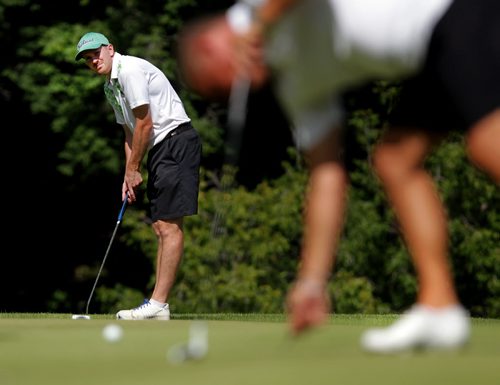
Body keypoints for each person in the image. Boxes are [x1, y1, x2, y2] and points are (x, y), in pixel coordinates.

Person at [177, 0, 500, 352]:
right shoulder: (294, 81)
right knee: (396, 161)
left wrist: (260, 22)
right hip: (429, 51)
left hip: (457, 12)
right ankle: (439, 307)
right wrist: (312, 281)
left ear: (210, 47)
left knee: (488, 144)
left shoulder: (255, 7)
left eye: (220, 87)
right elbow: (326, 173)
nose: (237, 91)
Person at [75, 32, 202, 320]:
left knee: (169, 226)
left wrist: (135, 169)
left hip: (175, 142)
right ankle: (159, 305)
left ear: (110, 48)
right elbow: (129, 132)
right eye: (87, 58)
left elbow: (145, 123)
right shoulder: (110, 87)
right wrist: (127, 174)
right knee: (159, 226)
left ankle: (159, 304)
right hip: (159, 149)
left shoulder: (129, 70)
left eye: (96, 53)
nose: (93, 60)